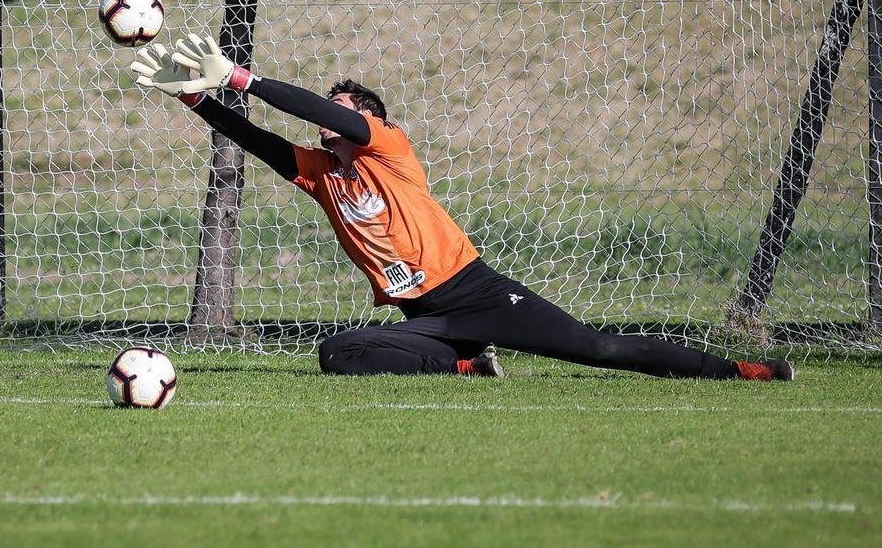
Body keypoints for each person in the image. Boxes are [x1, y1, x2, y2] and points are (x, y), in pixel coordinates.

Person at [131, 34, 794, 382]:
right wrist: (192, 97)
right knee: (339, 353)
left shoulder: (387, 147)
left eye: (345, 107)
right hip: (430, 319)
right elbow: (258, 139)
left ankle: (740, 369)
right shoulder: (321, 173)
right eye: (332, 108)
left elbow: (305, 108)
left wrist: (238, 76)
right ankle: (467, 365)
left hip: (475, 292)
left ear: (366, 119)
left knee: (596, 347)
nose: (332, 116)